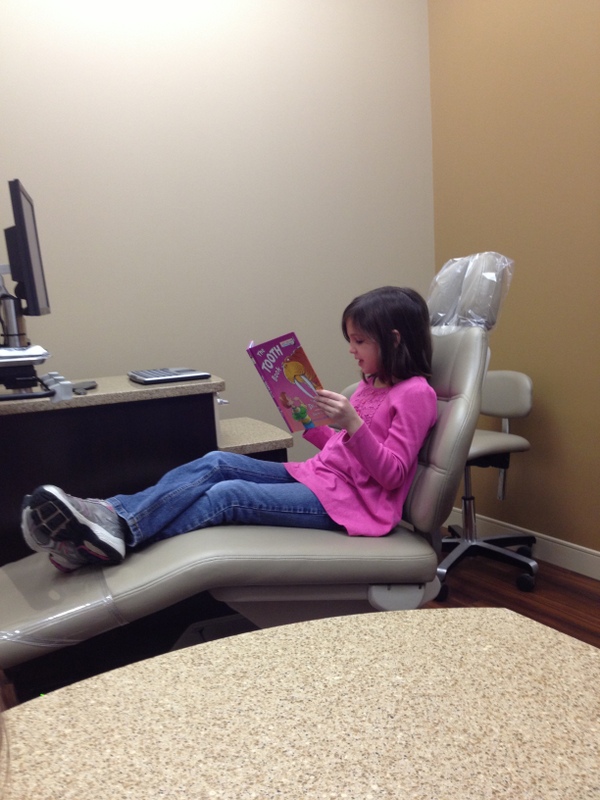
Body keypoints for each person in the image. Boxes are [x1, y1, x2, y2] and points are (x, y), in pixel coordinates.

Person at [21, 286, 438, 573]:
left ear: (393, 339)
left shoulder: (416, 394)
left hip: (353, 505)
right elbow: (345, 452)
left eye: (359, 341)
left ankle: (114, 536)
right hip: (320, 478)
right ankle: (109, 516)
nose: (351, 349)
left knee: (228, 495)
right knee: (217, 462)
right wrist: (311, 423)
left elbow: (392, 474)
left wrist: (352, 422)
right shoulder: (370, 385)